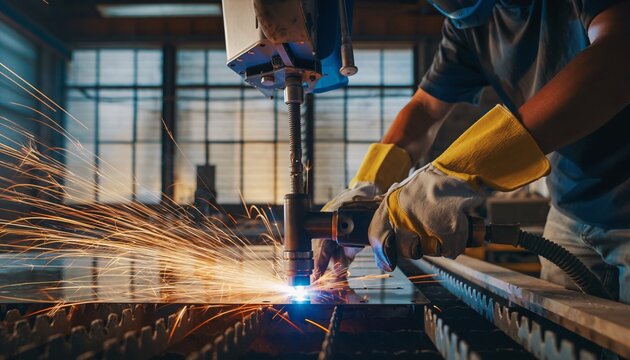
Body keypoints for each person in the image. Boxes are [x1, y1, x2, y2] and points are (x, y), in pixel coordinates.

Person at [313, 0, 630, 303]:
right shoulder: (472, 24)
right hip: (569, 209)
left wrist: (459, 172)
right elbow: (425, 109)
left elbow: (617, 56)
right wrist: (367, 185)